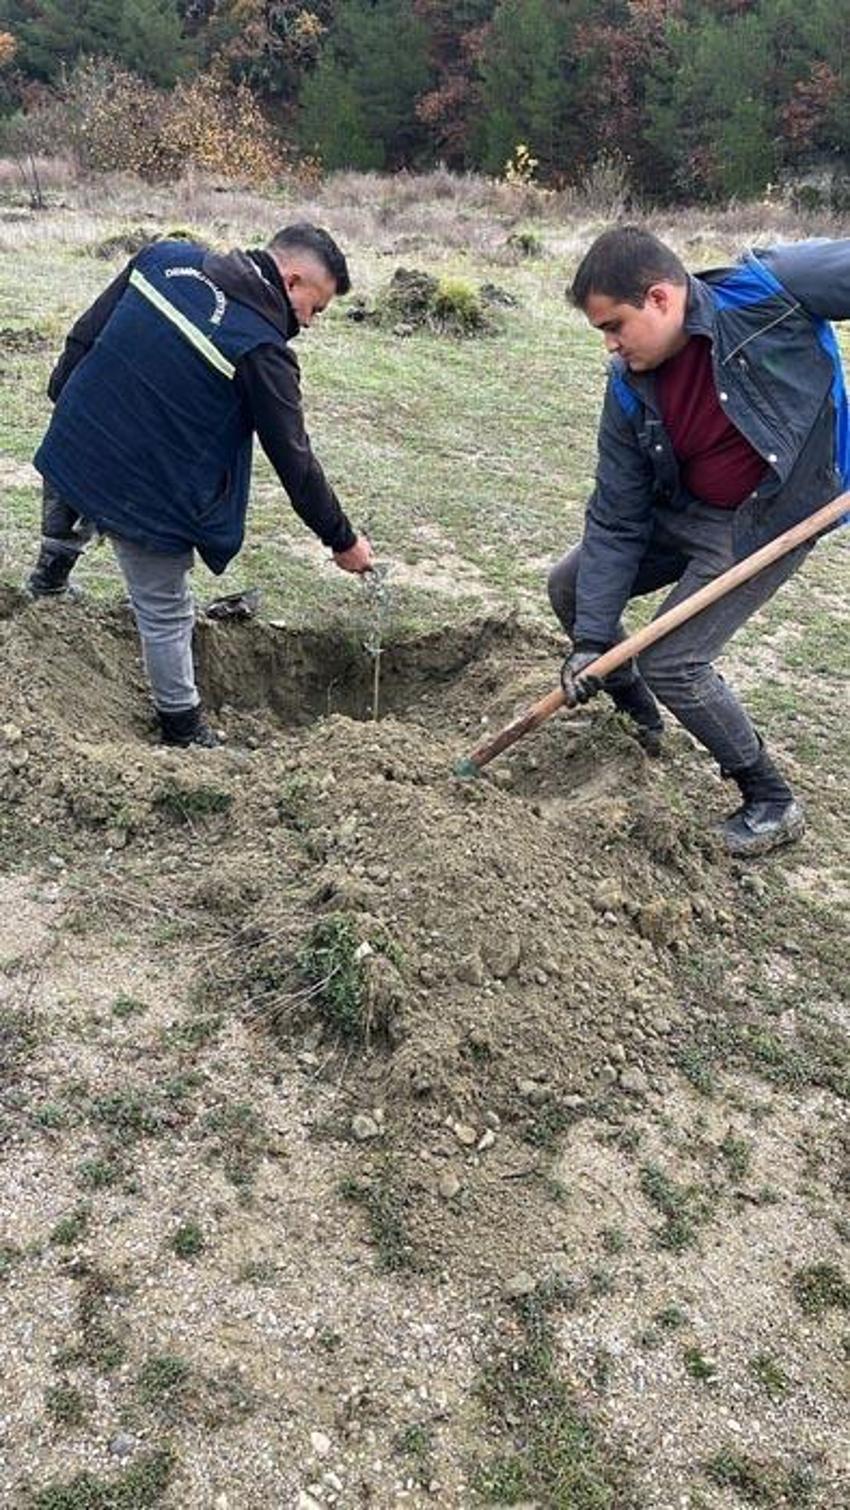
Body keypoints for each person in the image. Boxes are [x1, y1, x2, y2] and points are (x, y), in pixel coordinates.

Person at [550, 225, 850, 857]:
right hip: (684, 509)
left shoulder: (768, 290)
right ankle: (637, 719)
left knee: (675, 661)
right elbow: (616, 518)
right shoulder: (628, 386)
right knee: (572, 587)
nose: (609, 346)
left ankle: (770, 799)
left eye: (614, 326)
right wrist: (593, 642)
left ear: (660, 299)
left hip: (769, 518)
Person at [30, 223, 374, 746]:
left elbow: (84, 334)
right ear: (291, 278)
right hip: (148, 489)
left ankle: (49, 580)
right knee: (165, 609)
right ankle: (183, 728)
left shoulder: (165, 259)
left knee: (74, 471)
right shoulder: (262, 350)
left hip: (80, 438)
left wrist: (68, 403)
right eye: (315, 307)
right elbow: (295, 462)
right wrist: (341, 539)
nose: (308, 322)